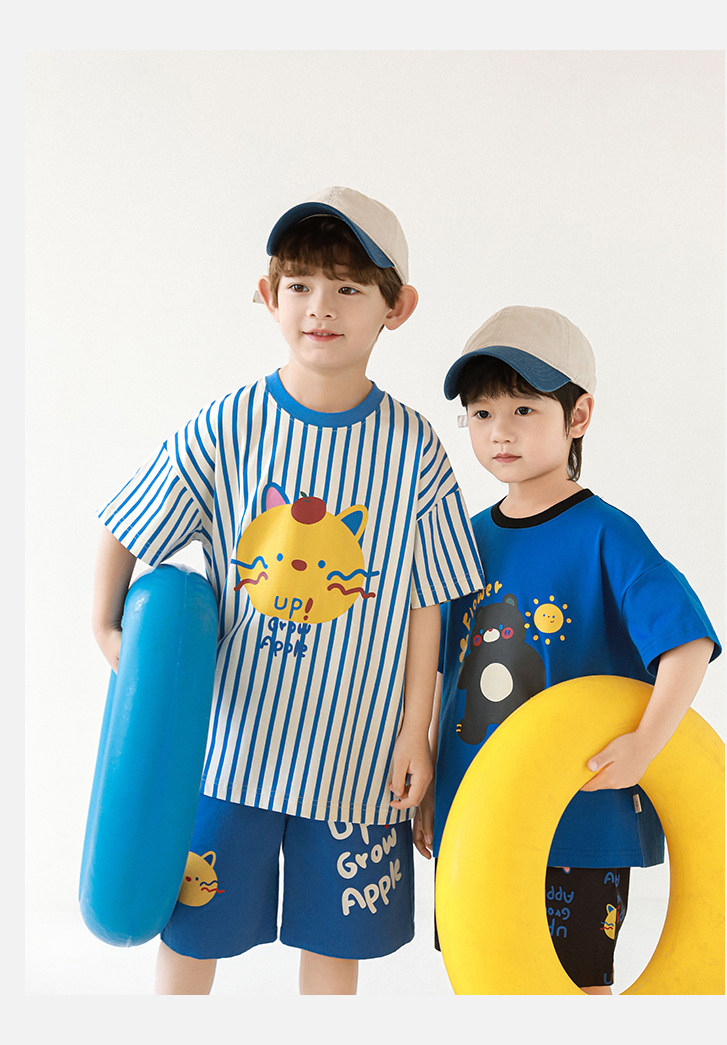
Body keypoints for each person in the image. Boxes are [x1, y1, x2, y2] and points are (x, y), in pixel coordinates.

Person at [91, 186, 484, 995]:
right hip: (230, 749)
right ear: (268, 295)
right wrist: (107, 629)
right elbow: (132, 516)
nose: (320, 306)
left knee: (333, 948)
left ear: (397, 307)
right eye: (300, 283)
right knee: (192, 930)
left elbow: (430, 603)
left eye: (348, 287)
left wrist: (417, 731)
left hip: (358, 757)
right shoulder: (231, 424)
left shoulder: (414, 450)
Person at [414, 305, 720, 993]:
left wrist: (645, 746)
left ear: (577, 415)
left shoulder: (608, 535)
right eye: (482, 413)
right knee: (487, 986)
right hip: (479, 817)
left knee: (578, 994)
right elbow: (445, 673)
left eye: (523, 409)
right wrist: (432, 773)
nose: (500, 431)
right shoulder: (464, 541)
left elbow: (688, 642)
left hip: (581, 818)